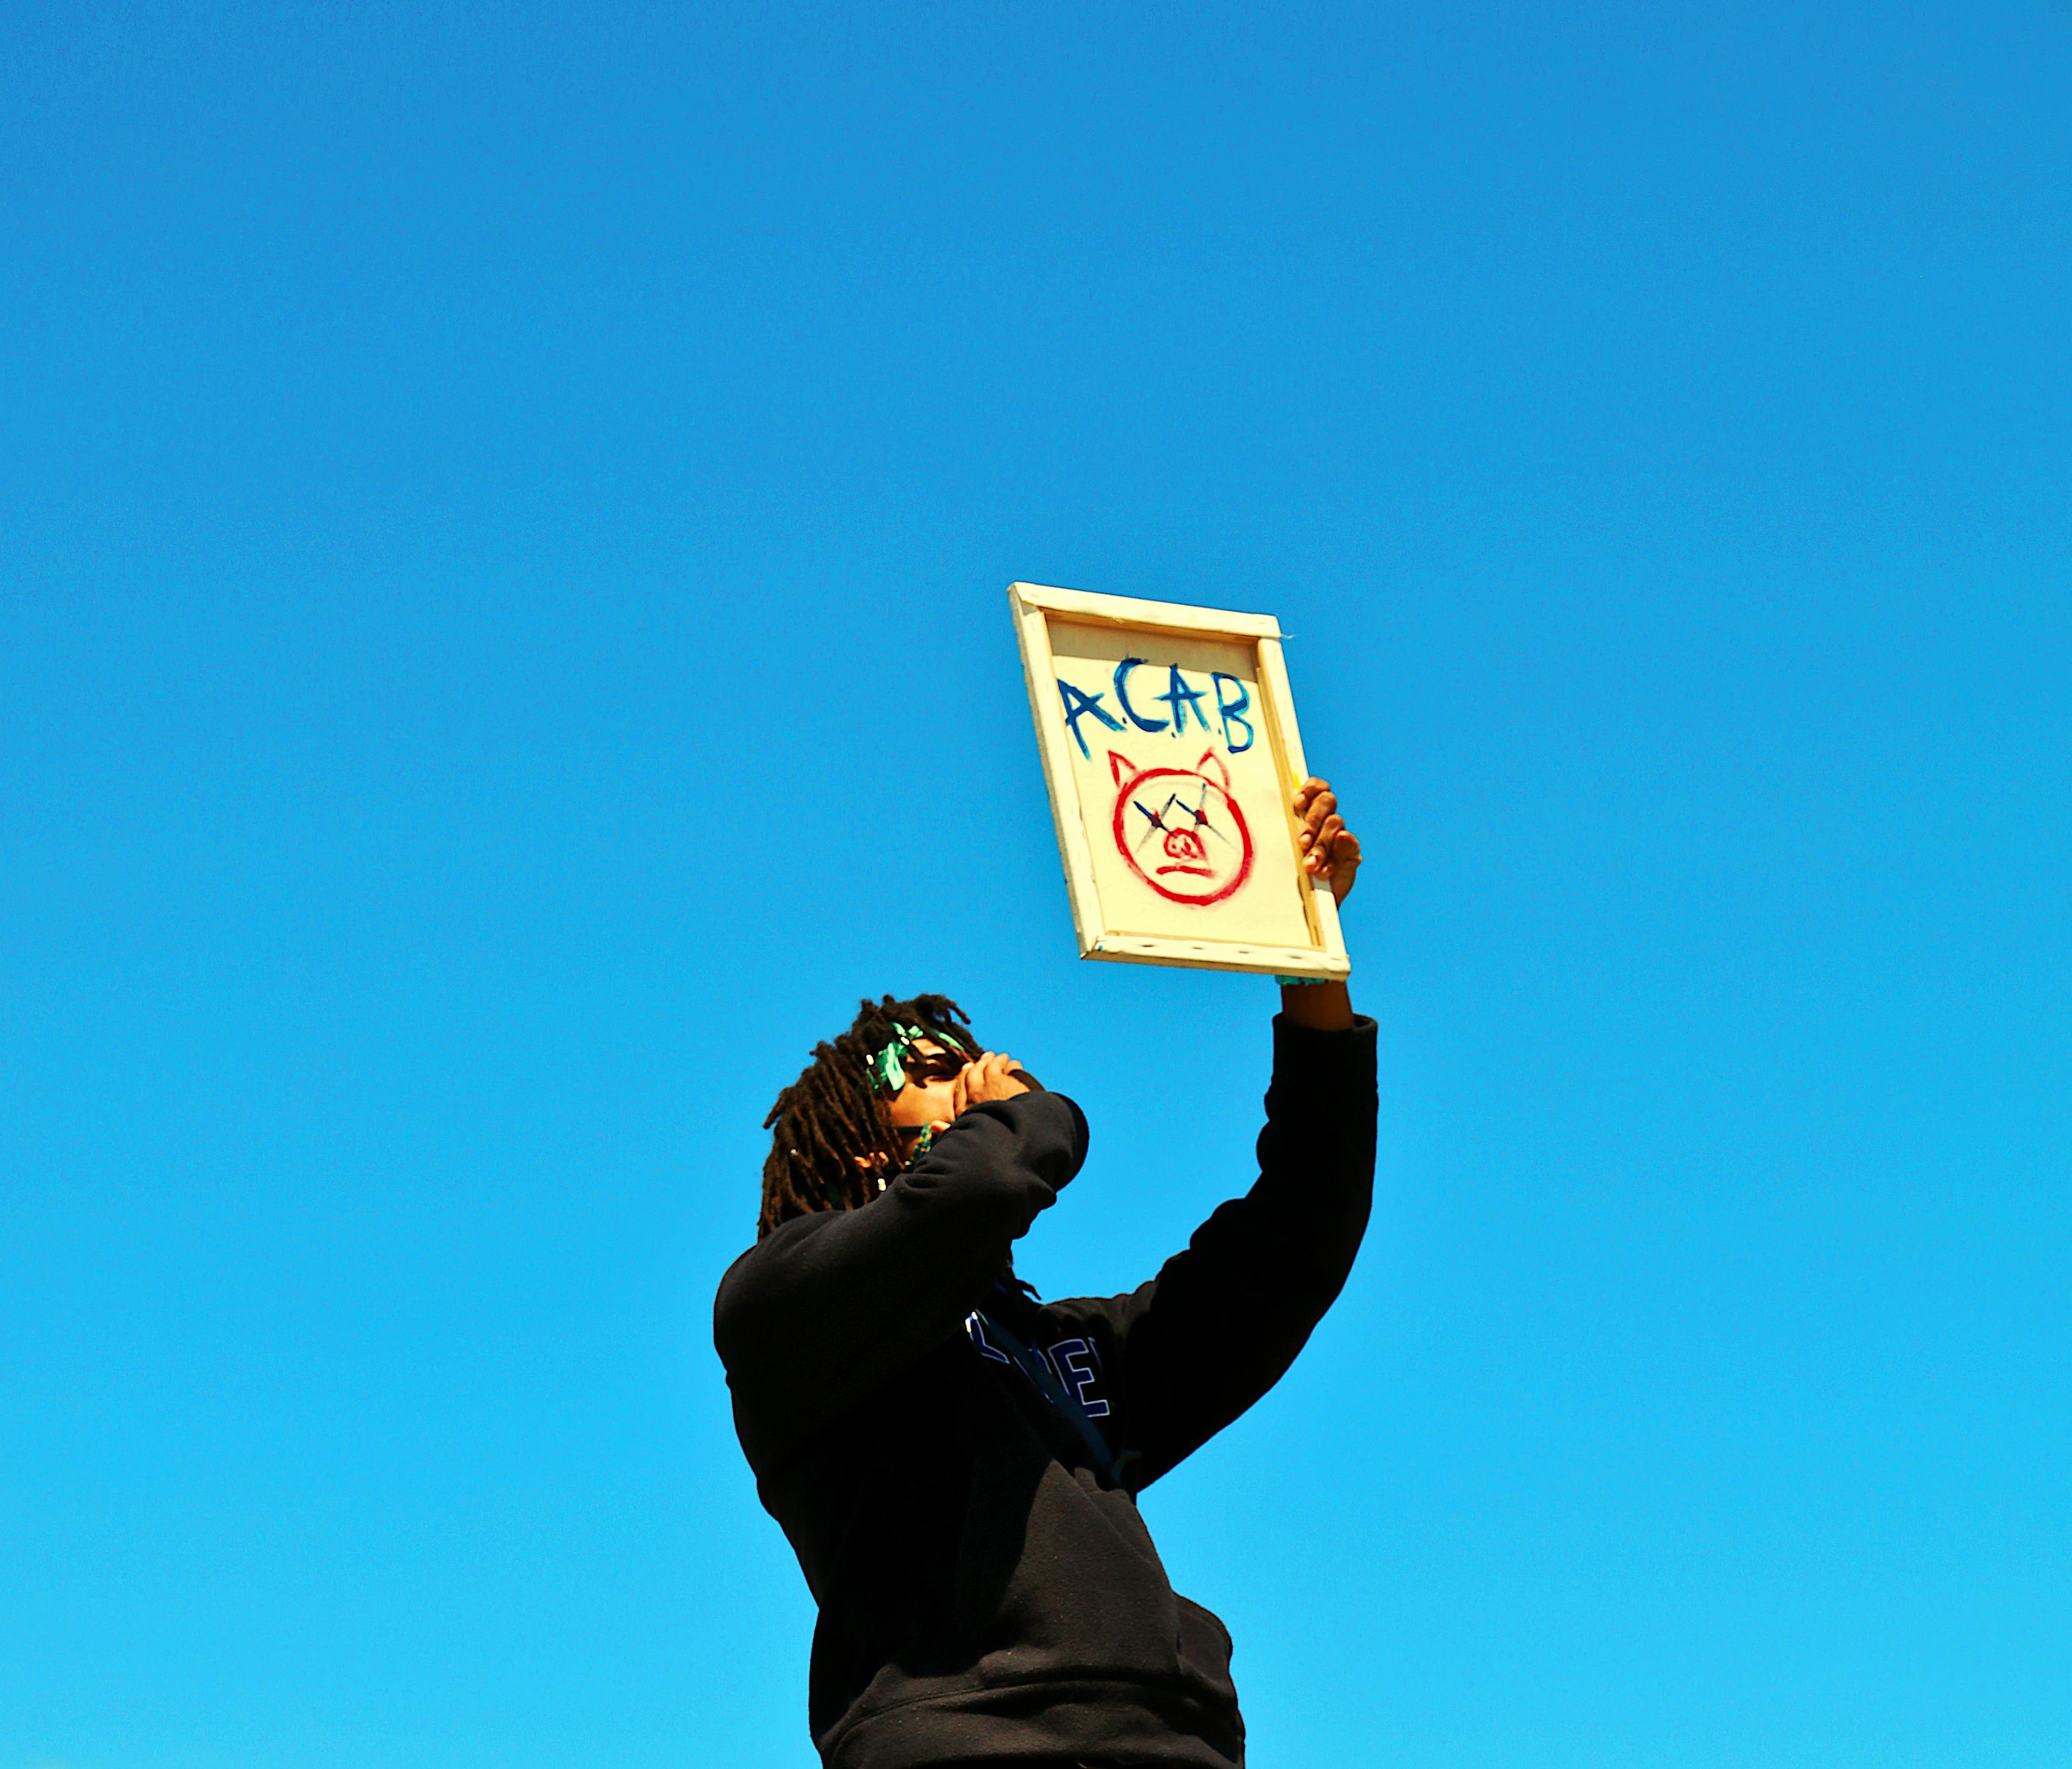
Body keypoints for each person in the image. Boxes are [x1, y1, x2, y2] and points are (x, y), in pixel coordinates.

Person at [714, 779, 1375, 1769]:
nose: (983, 1069)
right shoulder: (784, 1310)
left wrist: (1308, 958)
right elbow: (982, 1186)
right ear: (856, 1149)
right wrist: (1024, 1114)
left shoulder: (1066, 1352)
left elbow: (1294, 1239)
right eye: (934, 1067)